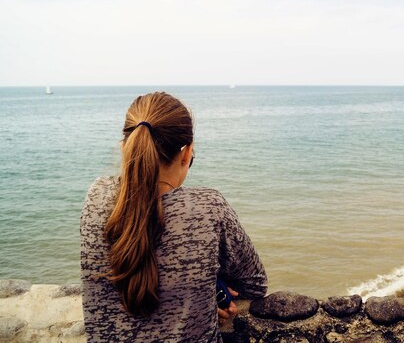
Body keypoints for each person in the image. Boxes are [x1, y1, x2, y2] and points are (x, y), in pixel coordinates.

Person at [80, 92, 267, 342]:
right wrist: (209, 285)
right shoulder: (209, 207)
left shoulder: (97, 196)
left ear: (125, 148)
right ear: (186, 153)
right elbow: (255, 285)